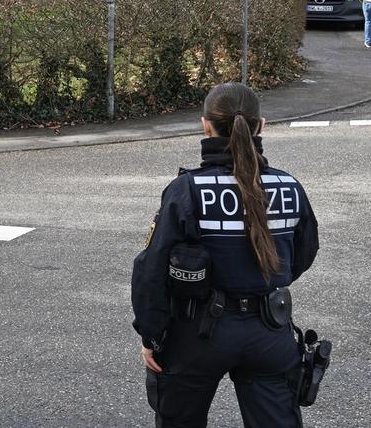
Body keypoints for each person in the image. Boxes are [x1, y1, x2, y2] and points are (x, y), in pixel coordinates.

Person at [132, 82, 319, 428]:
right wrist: (263, 279)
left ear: (206, 125)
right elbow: (304, 252)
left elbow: (150, 271)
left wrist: (152, 337)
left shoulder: (186, 190)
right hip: (270, 331)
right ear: (261, 125)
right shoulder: (290, 186)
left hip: (198, 335)